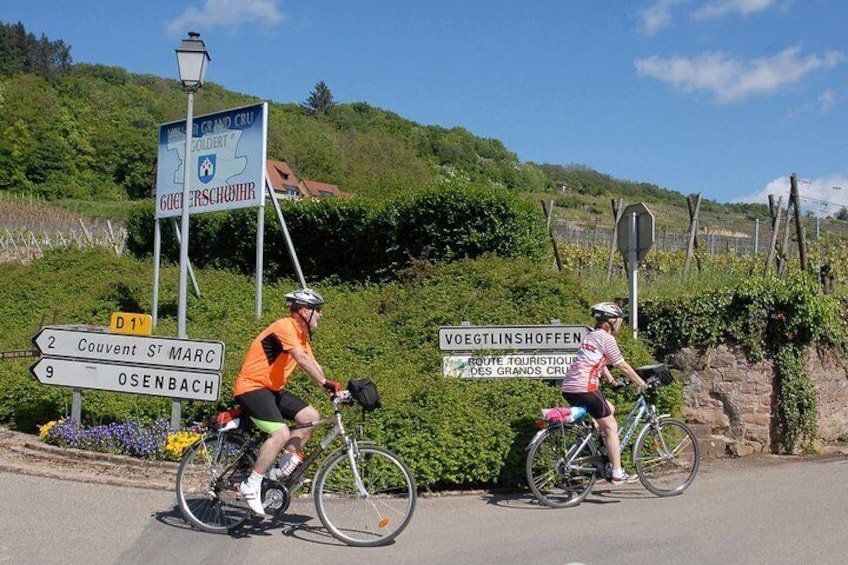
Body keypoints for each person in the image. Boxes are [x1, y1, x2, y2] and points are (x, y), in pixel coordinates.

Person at [233, 287, 343, 517]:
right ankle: (251, 484)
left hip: (271, 389)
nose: (321, 314)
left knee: (310, 417)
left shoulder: (302, 336)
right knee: (281, 433)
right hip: (251, 387)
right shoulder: (285, 327)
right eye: (318, 310)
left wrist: (335, 392)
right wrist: (325, 383)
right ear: (304, 311)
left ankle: (278, 472)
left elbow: (314, 365)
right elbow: (301, 360)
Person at [560, 301, 647, 485]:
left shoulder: (590, 336)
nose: (621, 324)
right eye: (619, 320)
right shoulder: (607, 339)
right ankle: (617, 473)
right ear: (610, 321)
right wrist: (641, 382)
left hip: (569, 387)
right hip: (586, 388)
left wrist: (612, 381)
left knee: (610, 408)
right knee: (611, 427)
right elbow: (620, 364)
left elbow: (598, 360)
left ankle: (595, 451)